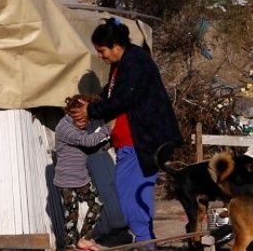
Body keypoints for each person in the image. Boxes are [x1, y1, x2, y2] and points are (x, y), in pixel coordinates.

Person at [71, 17, 182, 245]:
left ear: (116, 46)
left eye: (102, 51)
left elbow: (122, 98)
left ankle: (145, 244)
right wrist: (93, 101)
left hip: (141, 143)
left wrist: (91, 110)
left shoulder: (135, 63)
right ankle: (145, 242)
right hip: (132, 143)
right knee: (135, 197)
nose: (100, 56)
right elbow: (114, 93)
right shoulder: (122, 63)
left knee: (131, 200)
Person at [54, 94, 113, 250]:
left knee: (97, 204)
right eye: (80, 119)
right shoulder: (65, 128)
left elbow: (88, 146)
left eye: (86, 119)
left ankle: (85, 238)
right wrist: (109, 128)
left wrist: (105, 143)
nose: (84, 123)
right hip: (66, 180)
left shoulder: (77, 127)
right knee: (71, 215)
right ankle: (70, 246)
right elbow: (88, 141)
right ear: (71, 112)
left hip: (81, 178)